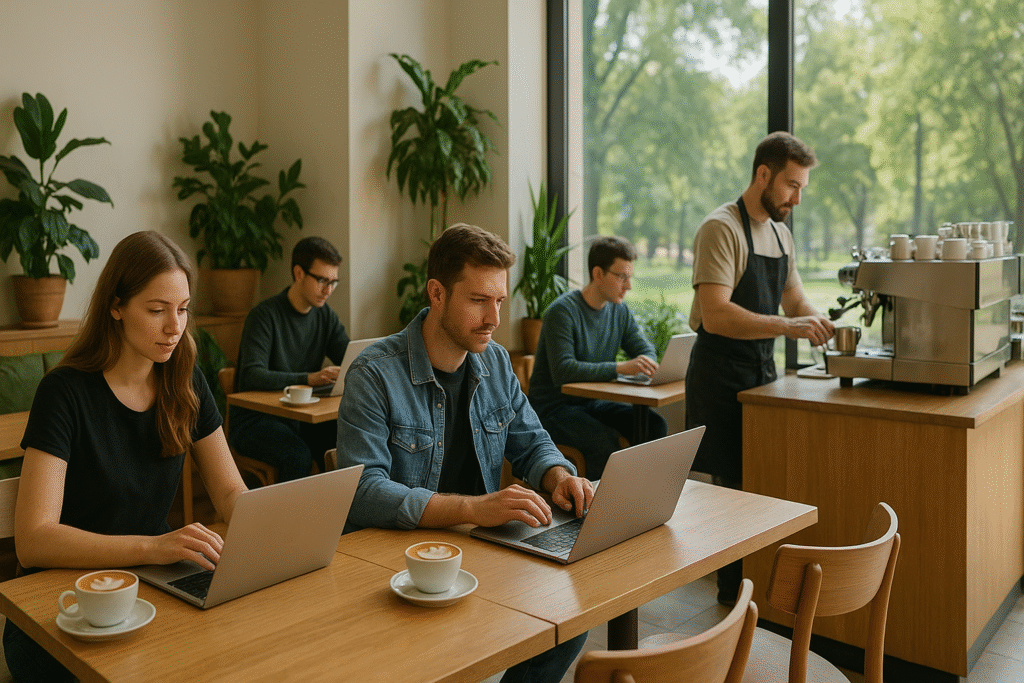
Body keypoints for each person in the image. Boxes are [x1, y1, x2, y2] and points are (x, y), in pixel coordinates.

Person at [337, 223, 594, 683]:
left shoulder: (495, 361)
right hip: (399, 562)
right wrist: (476, 508)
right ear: (437, 294)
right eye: (478, 300)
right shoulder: (374, 374)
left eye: (499, 300)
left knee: (570, 619)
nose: (494, 318)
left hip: (480, 547)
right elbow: (364, 491)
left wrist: (560, 477)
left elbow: (532, 441)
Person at [5, 231, 248, 682]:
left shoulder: (185, 381)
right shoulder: (64, 393)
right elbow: (33, 540)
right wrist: (154, 547)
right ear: (116, 307)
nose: (174, 327)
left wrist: (265, 525)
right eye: (156, 311)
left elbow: (230, 490)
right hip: (60, 604)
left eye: (182, 309)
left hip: (152, 586)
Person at [685, 131, 834, 605]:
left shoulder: (781, 233)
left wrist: (813, 319)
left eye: (803, 187)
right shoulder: (721, 228)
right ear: (763, 175)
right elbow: (716, 313)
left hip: (759, 376)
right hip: (719, 375)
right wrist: (789, 329)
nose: (797, 197)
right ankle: (732, 600)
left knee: (759, 484)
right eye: (792, 185)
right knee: (732, 490)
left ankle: (752, 595)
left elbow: (794, 298)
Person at [527, 235, 668, 479]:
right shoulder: (562, 312)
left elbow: (645, 350)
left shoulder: (619, 310)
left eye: (629, 277)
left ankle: (642, 499)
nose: (628, 286)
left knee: (655, 426)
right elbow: (564, 371)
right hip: (553, 408)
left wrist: (644, 362)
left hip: (591, 403)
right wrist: (620, 368)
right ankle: (596, 511)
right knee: (603, 442)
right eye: (621, 277)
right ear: (598, 273)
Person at [231, 236, 350, 480]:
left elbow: (351, 357)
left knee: (341, 443)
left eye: (333, 282)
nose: (328, 290)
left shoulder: (325, 316)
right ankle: (288, 519)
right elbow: (252, 375)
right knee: (297, 455)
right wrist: (309, 378)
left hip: (300, 417)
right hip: (254, 421)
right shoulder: (264, 316)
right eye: (322, 281)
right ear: (298, 273)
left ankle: (335, 516)